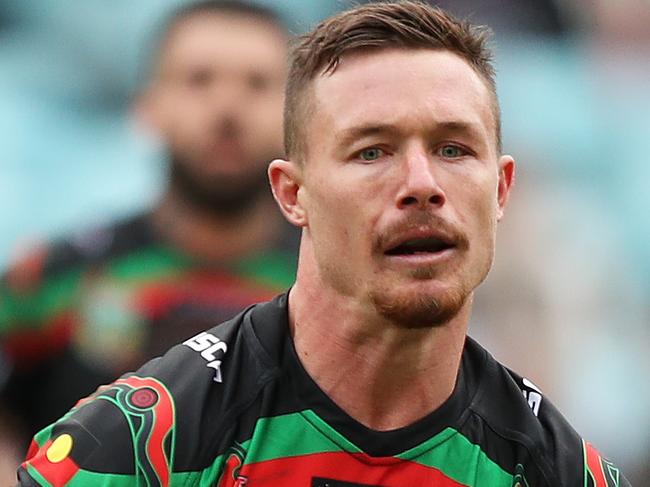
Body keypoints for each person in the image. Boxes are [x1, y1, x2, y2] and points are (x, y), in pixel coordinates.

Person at [18, 2, 630, 486]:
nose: (422, 185)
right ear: (293, 194)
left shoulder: (552, 467)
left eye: (453, 149)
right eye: (372, 151)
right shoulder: (143, 444)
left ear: (501, 189)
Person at [0, 0, 295, 466]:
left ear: (300, 115)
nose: (227, 107)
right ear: (148, 106)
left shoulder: (331, 283)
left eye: (257, 84)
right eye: (199, 79)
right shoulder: (53, 277)